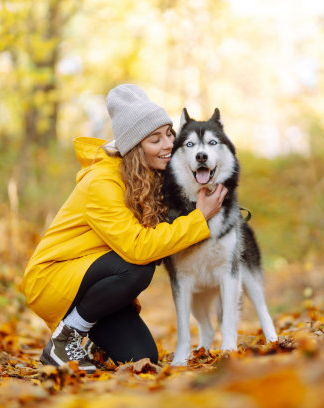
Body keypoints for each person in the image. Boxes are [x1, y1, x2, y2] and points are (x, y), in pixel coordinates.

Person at [20, 84, 227, 373]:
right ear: (134, 148)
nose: (168, 144)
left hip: (90, 280)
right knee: (137, 266)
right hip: (53, 279)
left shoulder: (150, 179)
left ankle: (86, 340)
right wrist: (199, 219)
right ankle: (65, 339)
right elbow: (139, 248)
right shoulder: (102, 184)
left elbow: (167, 233)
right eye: (155, 139)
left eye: (169, 133)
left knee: (142, 357)